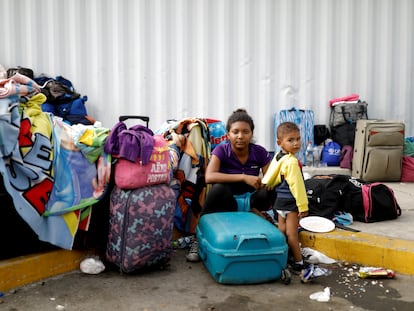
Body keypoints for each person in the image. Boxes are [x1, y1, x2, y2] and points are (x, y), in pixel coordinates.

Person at [186, 108, 275, 262]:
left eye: (245, 132)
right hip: (228, 201)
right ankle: (197, 239)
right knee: (218, 189)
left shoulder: (259, 152)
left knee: (270, 191)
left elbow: (269, 178)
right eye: (235, 132)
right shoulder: (222, 150)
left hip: (252, 198)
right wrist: (243, 177)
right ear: (228, 134)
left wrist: (267, 181)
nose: (240, 136)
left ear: (251, 134)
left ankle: (268, 225)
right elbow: (210, 176)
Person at [262, 121, 309, 271]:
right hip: (290, 204)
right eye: (290, 140)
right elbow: (297, 186)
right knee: (292, 234)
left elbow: (271, 177)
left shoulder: (278, 157)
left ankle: (280, 257)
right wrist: (303, 206)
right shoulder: (292, 162)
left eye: (298, 139)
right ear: (279, 142)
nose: (296, 143)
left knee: (281, 232)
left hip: (279, 203)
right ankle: (299, 262)